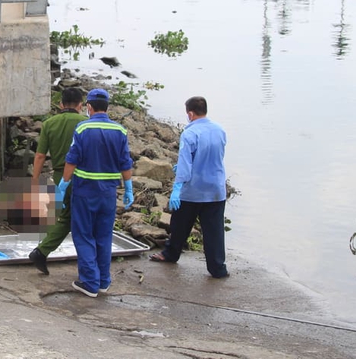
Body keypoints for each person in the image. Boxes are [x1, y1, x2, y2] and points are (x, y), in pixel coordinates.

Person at [58, 89, 133, 297]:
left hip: (85, 191)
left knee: (83, 235)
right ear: (107, 107)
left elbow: (72, 159)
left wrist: (63, 184)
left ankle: (90, 282)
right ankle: (103, 281)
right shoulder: (120, 131)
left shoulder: (83, 128)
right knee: (104, 235)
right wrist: (128, 187)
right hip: (108, 193)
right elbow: (125, 162)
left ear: (89, 107)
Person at [150, 96, 228, 279]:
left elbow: (185, 165)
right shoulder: (219, 130)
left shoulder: (190, 134)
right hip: (216, 188)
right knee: (214, 231)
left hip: (194, 189)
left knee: (180, 224)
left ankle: (171, 254)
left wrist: (177, 188)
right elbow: (216, 156)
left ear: (190, 114)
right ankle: (218, 268)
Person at [28, 87, 86, 275]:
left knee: (69, 215)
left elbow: (40, 156)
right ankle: (43, 251)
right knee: (77, 216)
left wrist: (35, 180)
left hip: (61, 175)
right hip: (83, 176)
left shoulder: (50, 124)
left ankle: (43, 251)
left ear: (61, 104)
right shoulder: (85, 123)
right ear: (80, 105)